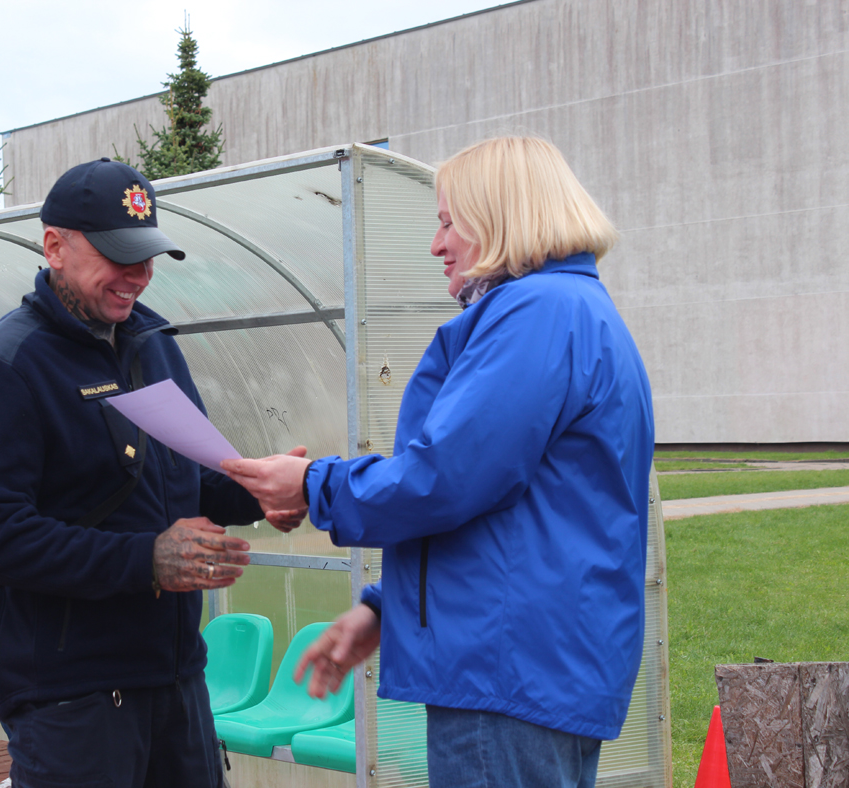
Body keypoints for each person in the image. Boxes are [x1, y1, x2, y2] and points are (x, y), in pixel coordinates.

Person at [222, 137, 655, 788]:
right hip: (533, 660)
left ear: (500, 217)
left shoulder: (535, 313)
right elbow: (518, 513)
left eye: (449, 222)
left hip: (505, 670)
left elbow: (446, 477)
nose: (436, 244)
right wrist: (382, 608)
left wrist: (312, 484)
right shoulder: (571, 311)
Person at [0, 158, 291, 788]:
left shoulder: (153, 345)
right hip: (74, 696)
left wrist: (266, 490)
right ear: (55, 247)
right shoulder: (7, 367)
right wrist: (146, 560)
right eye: (118, 255)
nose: (139, 275)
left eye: (147, 256)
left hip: (176, 677)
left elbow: (187, 476)